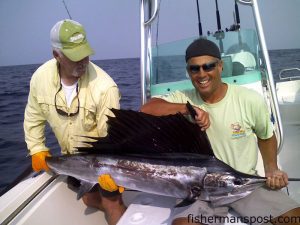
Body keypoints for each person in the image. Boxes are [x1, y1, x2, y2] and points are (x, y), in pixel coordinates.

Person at [139, 38, 300, 225]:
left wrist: (271, 168)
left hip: (243, 184)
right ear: (188, 72)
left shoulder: (249, 99)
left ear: (221, 66)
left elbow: (266, 136)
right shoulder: (182, 97)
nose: (202, 74)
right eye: (194, 68)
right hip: (199, 190)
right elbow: (147, 109)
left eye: (208, 66)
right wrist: (186, 108)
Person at [24, 19, 125, 225]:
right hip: (71, 161)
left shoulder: (106, 87)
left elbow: (111, 137)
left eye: (85, 54)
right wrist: (36, 148)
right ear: (57, 55)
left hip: (101, 161)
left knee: (112, 202)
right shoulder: (39, 78)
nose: (83, 62)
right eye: (75, 57)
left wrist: (109, 170)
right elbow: (33, 117)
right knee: (88, 199)